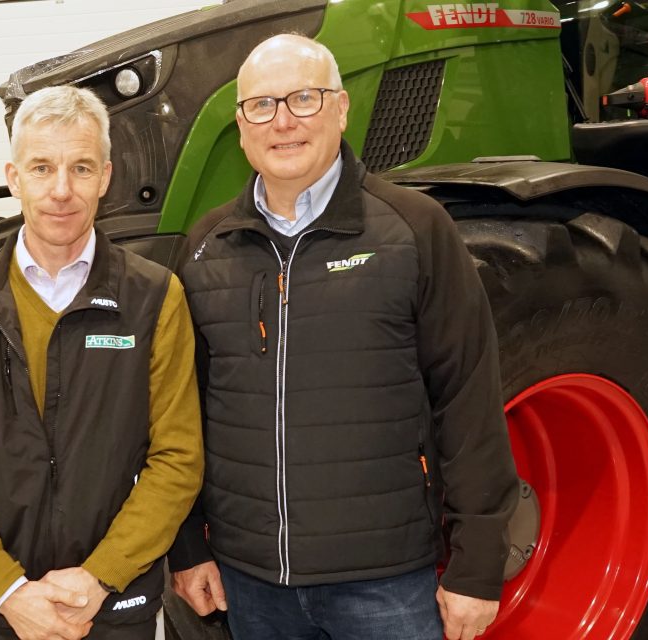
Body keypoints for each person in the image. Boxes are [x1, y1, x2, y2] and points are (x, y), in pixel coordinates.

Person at [168, 34, 518, 640]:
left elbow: (468, 397)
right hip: (252, 584)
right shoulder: (205, 246)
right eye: (262, 105)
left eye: (304, 99)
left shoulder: (414, 229)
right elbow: (180, 412)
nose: (283, 122)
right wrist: (187, 546)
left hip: (384, 583)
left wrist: (478, 565)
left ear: (341, 108)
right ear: (241, 125)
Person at [0, 85, 204, 640]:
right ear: (15, 177)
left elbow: (178, 459)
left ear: (106, 177)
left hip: (114, 601)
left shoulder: (153, 297)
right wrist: (7, 589)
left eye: (81, 167)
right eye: (43, 168)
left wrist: (101, 576)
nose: (62, 190)